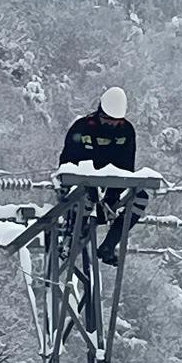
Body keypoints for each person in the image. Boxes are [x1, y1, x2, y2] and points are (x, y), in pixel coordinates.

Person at [59, 87, 148, 266]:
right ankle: (75, 235)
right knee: (84, 197)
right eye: (108, 120)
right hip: (81, 189)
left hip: (111, 189)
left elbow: (126, 167)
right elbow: (67, 164)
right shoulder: (82, 128)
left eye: (117, 121)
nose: (112, 125)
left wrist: (114, 193)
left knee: (140, 198)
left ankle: (109, 244)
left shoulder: (126, 131)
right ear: (100, 113)